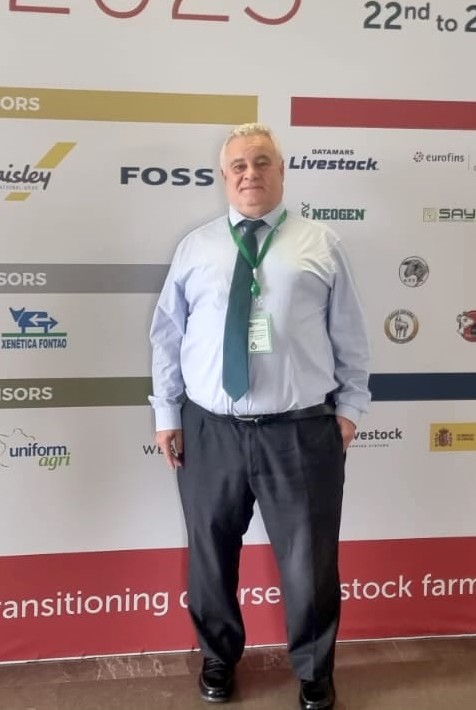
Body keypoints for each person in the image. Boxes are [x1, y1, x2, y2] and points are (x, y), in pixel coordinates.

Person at [148, 122, 371, 710]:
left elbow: (350, 335)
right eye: (240, 165)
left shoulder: (320, 244)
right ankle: (218, 658)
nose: (251, 173)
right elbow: (168, 336)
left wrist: (350, 408)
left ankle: (315, 671)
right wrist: (167, 412)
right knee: (210, 555)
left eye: (263, 162)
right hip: (209, 431)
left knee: (309, 562)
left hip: (300, 431)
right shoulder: (196, 247)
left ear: (282, 172)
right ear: (225, 177)